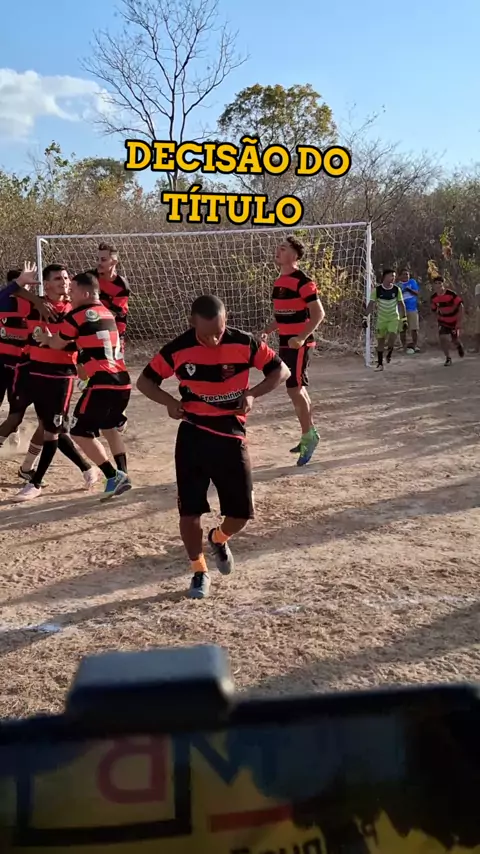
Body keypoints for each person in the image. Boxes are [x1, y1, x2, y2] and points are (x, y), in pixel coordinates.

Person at [137, 294, 290, 600]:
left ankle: (218, 538)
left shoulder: (244, 343)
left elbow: (281, 370)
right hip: (193, 434)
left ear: (226, 320)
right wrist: (169, 402)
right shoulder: (177, 349)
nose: (214, 339)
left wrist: (252, 394)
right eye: (207, 334)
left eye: (219, 331)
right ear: (192, 323)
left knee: (241, 515)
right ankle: (199, 570)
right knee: (189, 512)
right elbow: (145, 382)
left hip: (231, 434)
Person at [35, 272, 131, 500]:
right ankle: (123, 474)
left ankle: (113, 475)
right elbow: (87, 345)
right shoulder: (106, 312)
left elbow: (57, 344)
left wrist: (45, 338)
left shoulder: (76, 315)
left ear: (86, 293)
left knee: (79, 432)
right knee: (109, 427)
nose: (69, 294)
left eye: (73, 290)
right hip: (123, 382)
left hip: (103, 384)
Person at [13, 265, 100, 501]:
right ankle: (87, 468)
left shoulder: (76, 308)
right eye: (57, 278)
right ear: (47, 284)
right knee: (52, 428)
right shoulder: (36, 306)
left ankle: (35, 483)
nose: (63, 281)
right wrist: (31, 293)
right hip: (36, 371)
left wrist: (57, 342)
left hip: (62, 375)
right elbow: (10, 293)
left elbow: (82, 341)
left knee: (52, 430)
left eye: (65, 277)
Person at [261, 236, 325, 466]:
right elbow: (284, 314)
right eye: (278, 247)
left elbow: (318, 314)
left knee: (294, 389)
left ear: (295, 255)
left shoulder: (303, 281)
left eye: (283, 248)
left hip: (299, 344)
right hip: (286, 341)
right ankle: (309, 433)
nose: (277, 251)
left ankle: (309, 436)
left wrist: (301, 337)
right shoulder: (280, 281)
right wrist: (268, 330)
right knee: (297, 389)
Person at [363, 269, 407, 371]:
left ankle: (390, 352)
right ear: (385, 277)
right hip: (381, 320)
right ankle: (380, 364)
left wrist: (404, 319)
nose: (393, 278)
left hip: (393, 318)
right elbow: (371, 305)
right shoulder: (377, 290)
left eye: (394, 276)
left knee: (392, 337)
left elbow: (401, 304)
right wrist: (365, 317)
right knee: (381, 341)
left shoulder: (396, 290)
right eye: (391, 276)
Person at [430, 276, 464, 366]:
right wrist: (435, 321)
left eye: (440, 283)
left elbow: (460, 306)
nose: (438, 285)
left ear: (443, 284)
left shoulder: (451, 294)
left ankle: (459, 345)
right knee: (442, 338)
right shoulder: (433, 298)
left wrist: (459, 321)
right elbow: (434, 310)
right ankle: (448, 358)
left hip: (453, 320)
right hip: (443, 321)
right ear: (433, 285)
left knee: (454, 339)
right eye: (436, 283)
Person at [398, 268, 420, 353]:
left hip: (412, 308)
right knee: (402, 329)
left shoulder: (412, 282)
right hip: (401, 309)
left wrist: (408, 289)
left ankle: (415, 345)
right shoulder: (397, 285)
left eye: (407, 274)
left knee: (414, 328)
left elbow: (416, 293)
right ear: (400, 276)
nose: (406, 276)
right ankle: (404, 346)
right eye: (404, 274)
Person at [474, 284, 480, 353]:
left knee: (478, 330)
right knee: (478, 330)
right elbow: (478, 299)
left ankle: (477, 348)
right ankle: (476, 348)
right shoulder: (478, 286)